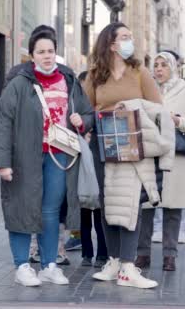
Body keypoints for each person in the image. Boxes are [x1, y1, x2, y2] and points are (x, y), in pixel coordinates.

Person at [0, 28, 93, 286]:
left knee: (50, 211)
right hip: (25, 156)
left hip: (60, 156)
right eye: (41, 52)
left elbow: (88, 113)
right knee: (23, 208)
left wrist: (81, 120)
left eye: (50, 51)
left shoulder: (69, 81)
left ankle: (49, 264)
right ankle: (22, 266)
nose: (47, 56)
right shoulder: (18, 83)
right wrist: (2, 162)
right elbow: (3, 122)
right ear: (32, 55)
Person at [84, 22, 165, 289]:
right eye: (125, 37)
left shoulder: (139, 71)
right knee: (108, 202)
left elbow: (157, 107)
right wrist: (88, 118)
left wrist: (129, 105)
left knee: (130, 202)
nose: (131, 41)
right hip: (103, 143)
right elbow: (87, 108)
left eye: (132, 36)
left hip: (132, 141)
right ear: (111, 44)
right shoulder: (95, 74)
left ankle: (129, 266)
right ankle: (115, 261)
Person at [134, 51, 185, 271]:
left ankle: (170, 255)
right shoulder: (145, 88)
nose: (158, 69)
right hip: (150, 152)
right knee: (145, 204)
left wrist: (178, 121)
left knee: (173, 208)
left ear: (173, 67)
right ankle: (142, 254)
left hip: (178, 155)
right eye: (155, 65)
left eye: (164, 65)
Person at [74, 71, 108, 268]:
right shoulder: (78, 106)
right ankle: (87, 253)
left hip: (99, 162)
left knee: (100, 214)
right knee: (85, 212)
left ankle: (102, 254)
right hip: (83, 165)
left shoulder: (101, 106)